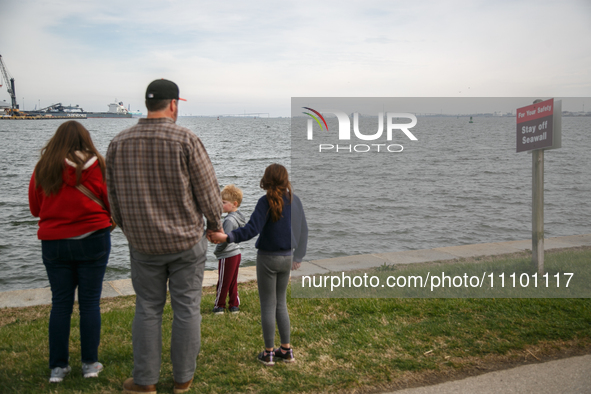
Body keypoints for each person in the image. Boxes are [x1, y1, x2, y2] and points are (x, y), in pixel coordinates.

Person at [106, 79, 223, 394]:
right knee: (186, 307)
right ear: (174, 104)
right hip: (186, 242)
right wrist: (214, 225)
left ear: (147, 104)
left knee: (147, 307)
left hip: (143, 244)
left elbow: (112, 197)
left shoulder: (118, 142)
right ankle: (183, 380)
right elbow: (208, 191)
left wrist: (126, 227)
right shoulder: (186, 139)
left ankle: (145, 382)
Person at [28, 121, 111, 383]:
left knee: (61, 304)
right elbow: (111, 202)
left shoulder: (44, 166)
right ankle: (89, 364)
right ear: (86, 139)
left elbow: (35, 208)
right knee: (89, 303)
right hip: (94, 238)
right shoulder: (98, 165)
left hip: (54, 242)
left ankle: (58, 368)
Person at [209, 163, 308, 366]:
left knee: (268, 305)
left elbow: (251, 230)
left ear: (266, 180)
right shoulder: (295, 201)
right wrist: (298, 257)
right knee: (281, 303)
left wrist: (227, 237)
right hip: (287, 257)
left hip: (268, 259)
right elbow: (303, 230)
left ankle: (269, 353)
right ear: (285, 180)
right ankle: (287, 350)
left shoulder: (265, 202)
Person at [213, 184, 247, 314]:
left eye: (223, 202)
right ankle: (234, 305)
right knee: (232, 281)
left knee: (223, 282)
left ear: (234, 203)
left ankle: (219, 306)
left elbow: (225, 240)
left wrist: (217, 250)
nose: (221, 205)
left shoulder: (229, 221)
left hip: (227, 254)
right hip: (236, 253)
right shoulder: (239, 217)